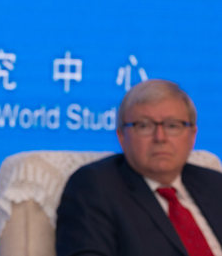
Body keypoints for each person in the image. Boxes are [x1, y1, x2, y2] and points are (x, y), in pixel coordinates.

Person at [56, 79, 222, 256]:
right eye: (144, 126)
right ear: (121, 136)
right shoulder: (93, 187)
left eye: (173, 125)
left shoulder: (215, 184)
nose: (160, 137)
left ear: (192, 136)